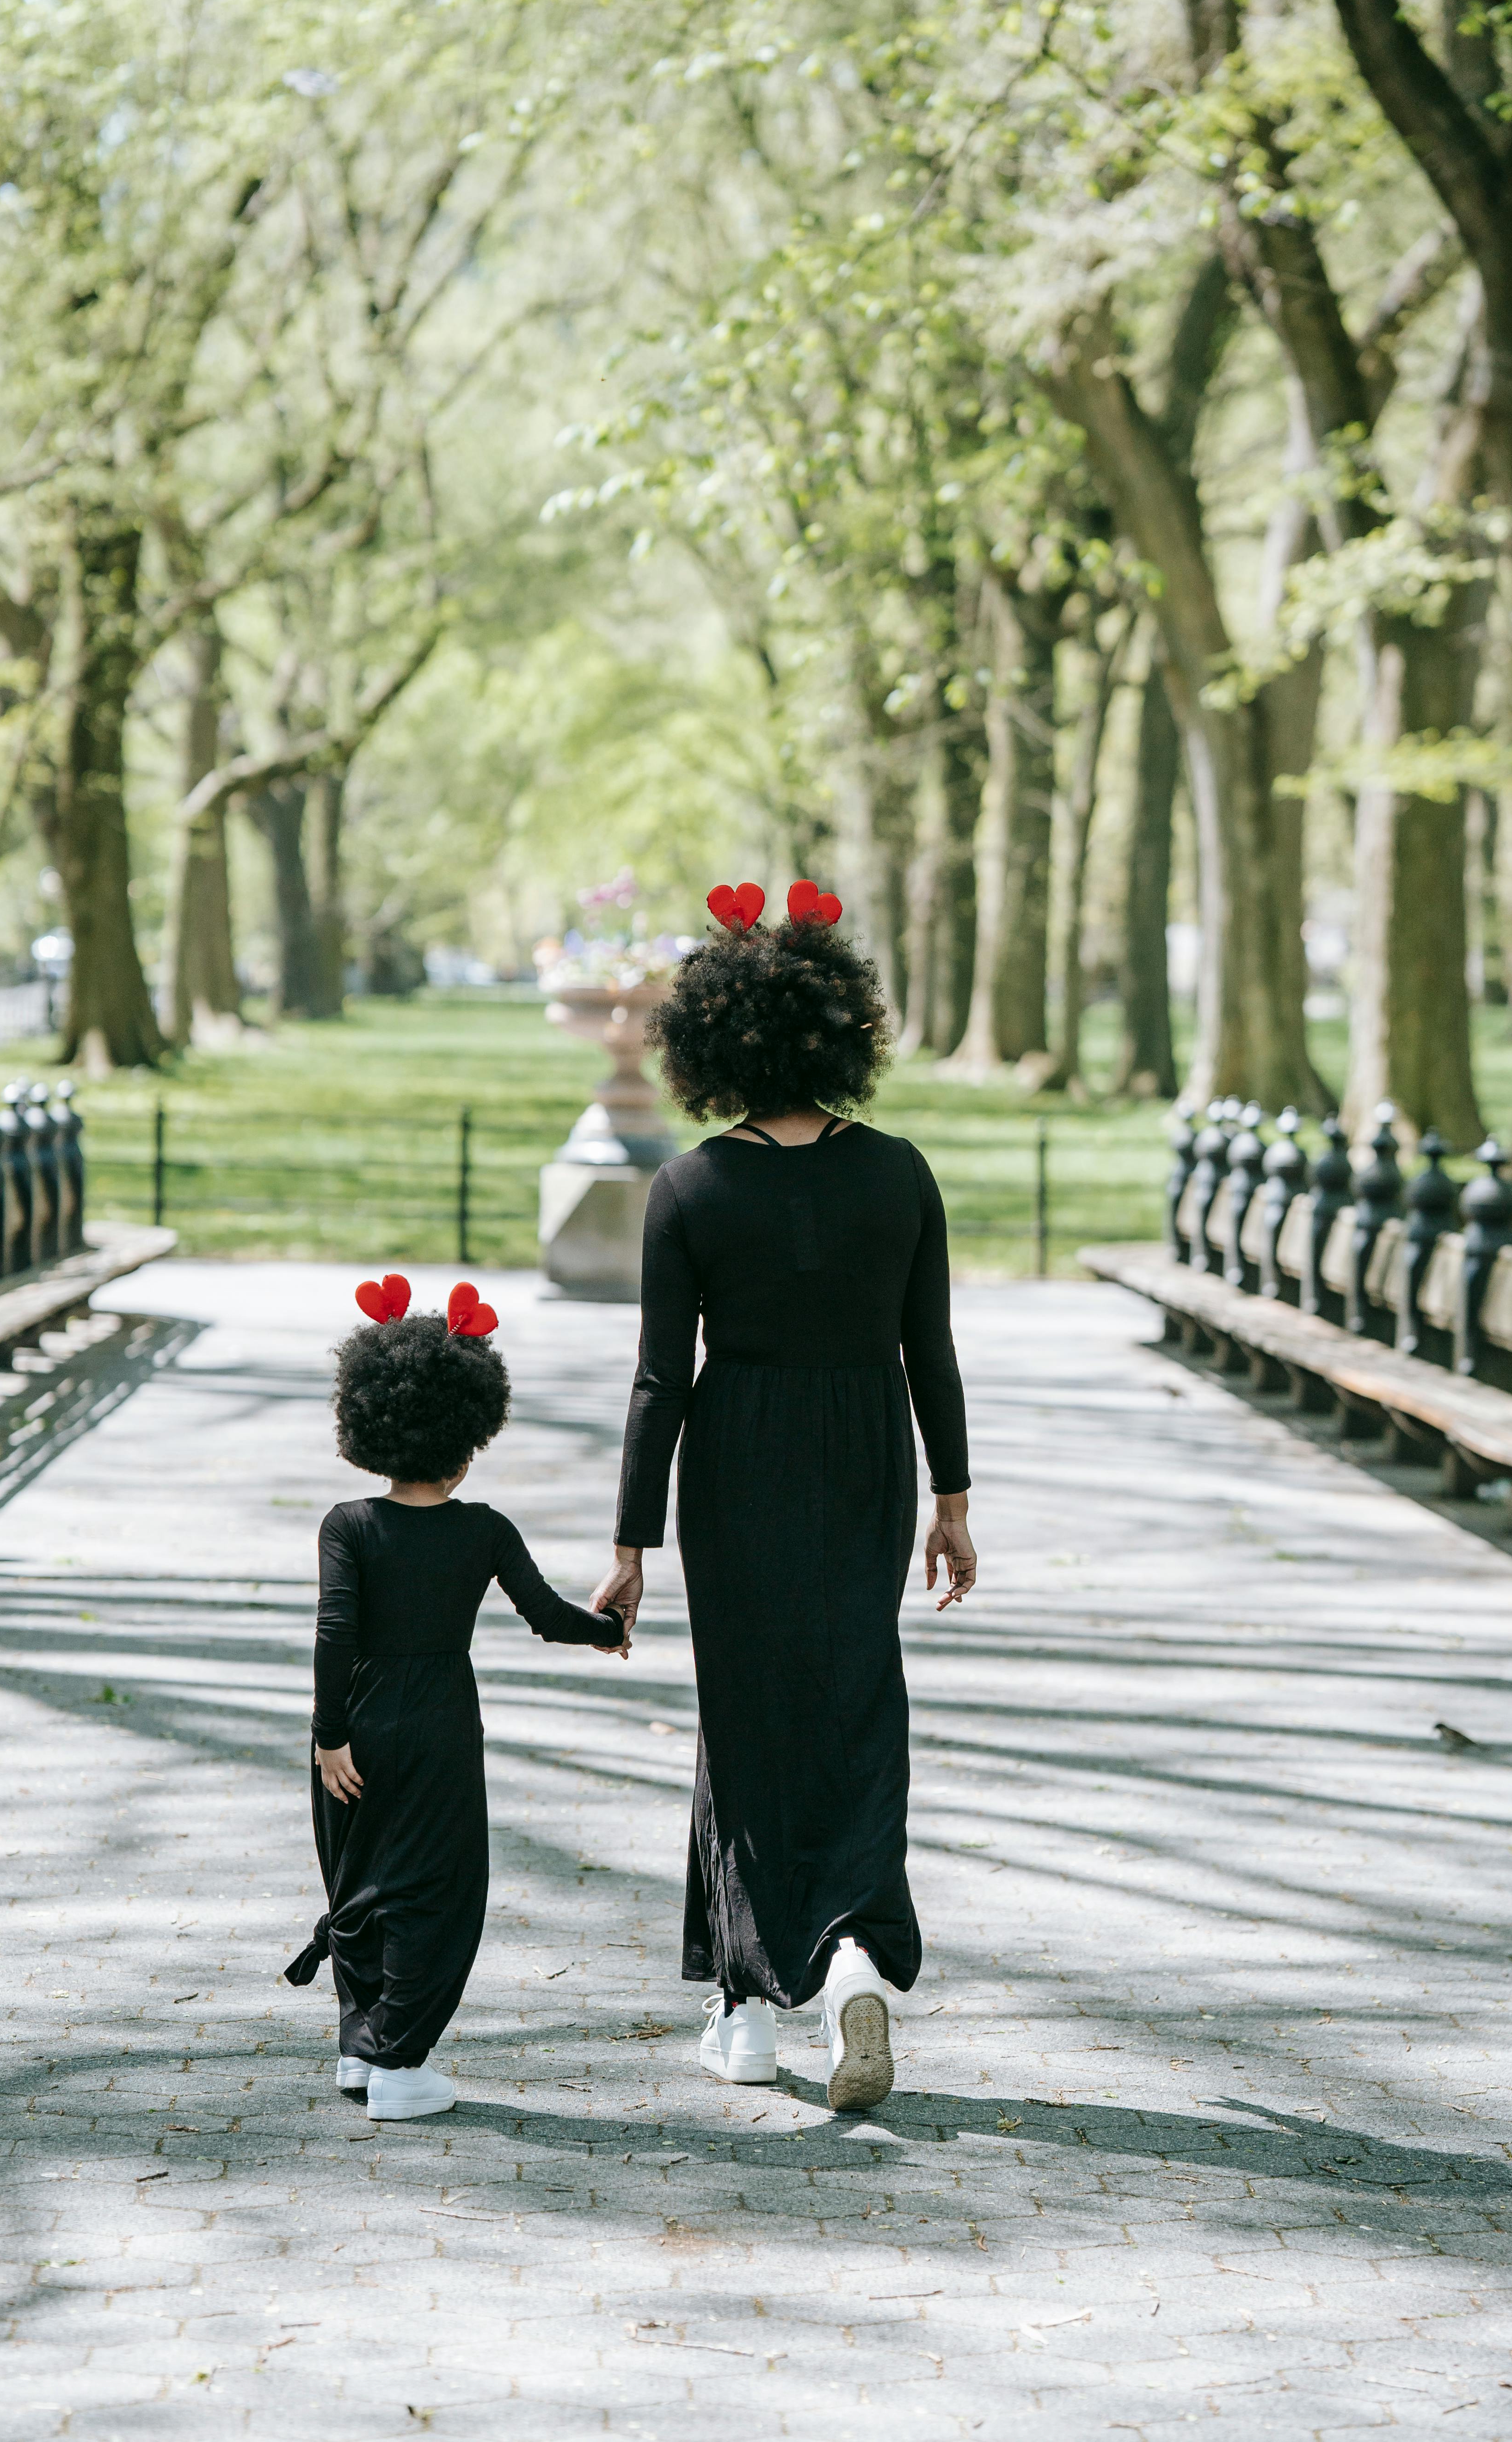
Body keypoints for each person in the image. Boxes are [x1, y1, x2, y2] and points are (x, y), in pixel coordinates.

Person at [592, 880, 976, 2111]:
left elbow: (660, 1379)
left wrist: (630, 1540)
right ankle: (856, 1946)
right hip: (869, 1447)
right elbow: (935, 1354)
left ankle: (749, 2008)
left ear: (714, 1049)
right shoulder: (901, 1175)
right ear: (838, 1032)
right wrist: (953, 1501)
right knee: (857, 1697)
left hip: (738, 1455)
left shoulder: (692, 1189)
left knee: (747, 1711)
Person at [284, 1273, 627, 2121]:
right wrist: (609, 1628)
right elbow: (549, 1618)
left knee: (358, 1883)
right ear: (469, 1436)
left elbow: (334, 1634)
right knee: (436, 1887)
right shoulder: (485, 1529)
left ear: (367, 1424)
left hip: (354, 1720)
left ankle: (361, 2049)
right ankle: (400, 2065)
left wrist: (331, 1735)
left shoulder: (347, 1524)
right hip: (439, 1717)